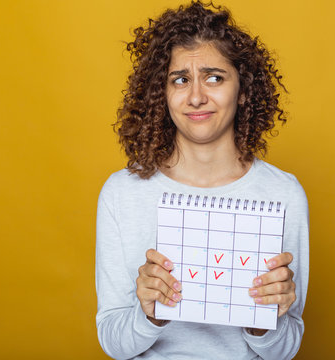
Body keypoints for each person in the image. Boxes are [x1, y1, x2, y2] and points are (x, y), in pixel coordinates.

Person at [95, 1, 309, 359]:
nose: (196, 96)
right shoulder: (122, 192)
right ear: (162, 95)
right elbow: (114, 344)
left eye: (214, 77)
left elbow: (286, 350)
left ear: (243, 91)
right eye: (180, 79)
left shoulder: (283, 194)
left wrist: (264, 321)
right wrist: (150, 314)